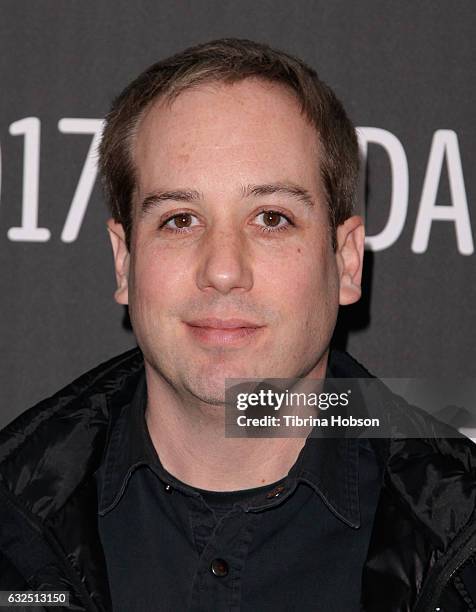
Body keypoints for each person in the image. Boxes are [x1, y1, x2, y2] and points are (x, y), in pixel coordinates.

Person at [0, 38, 475, 612]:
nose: (223, 271)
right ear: (124, 262)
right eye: (180, 219)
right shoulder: (11, 516)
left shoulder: (463, 532)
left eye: (271, 218)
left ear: (346, 261)